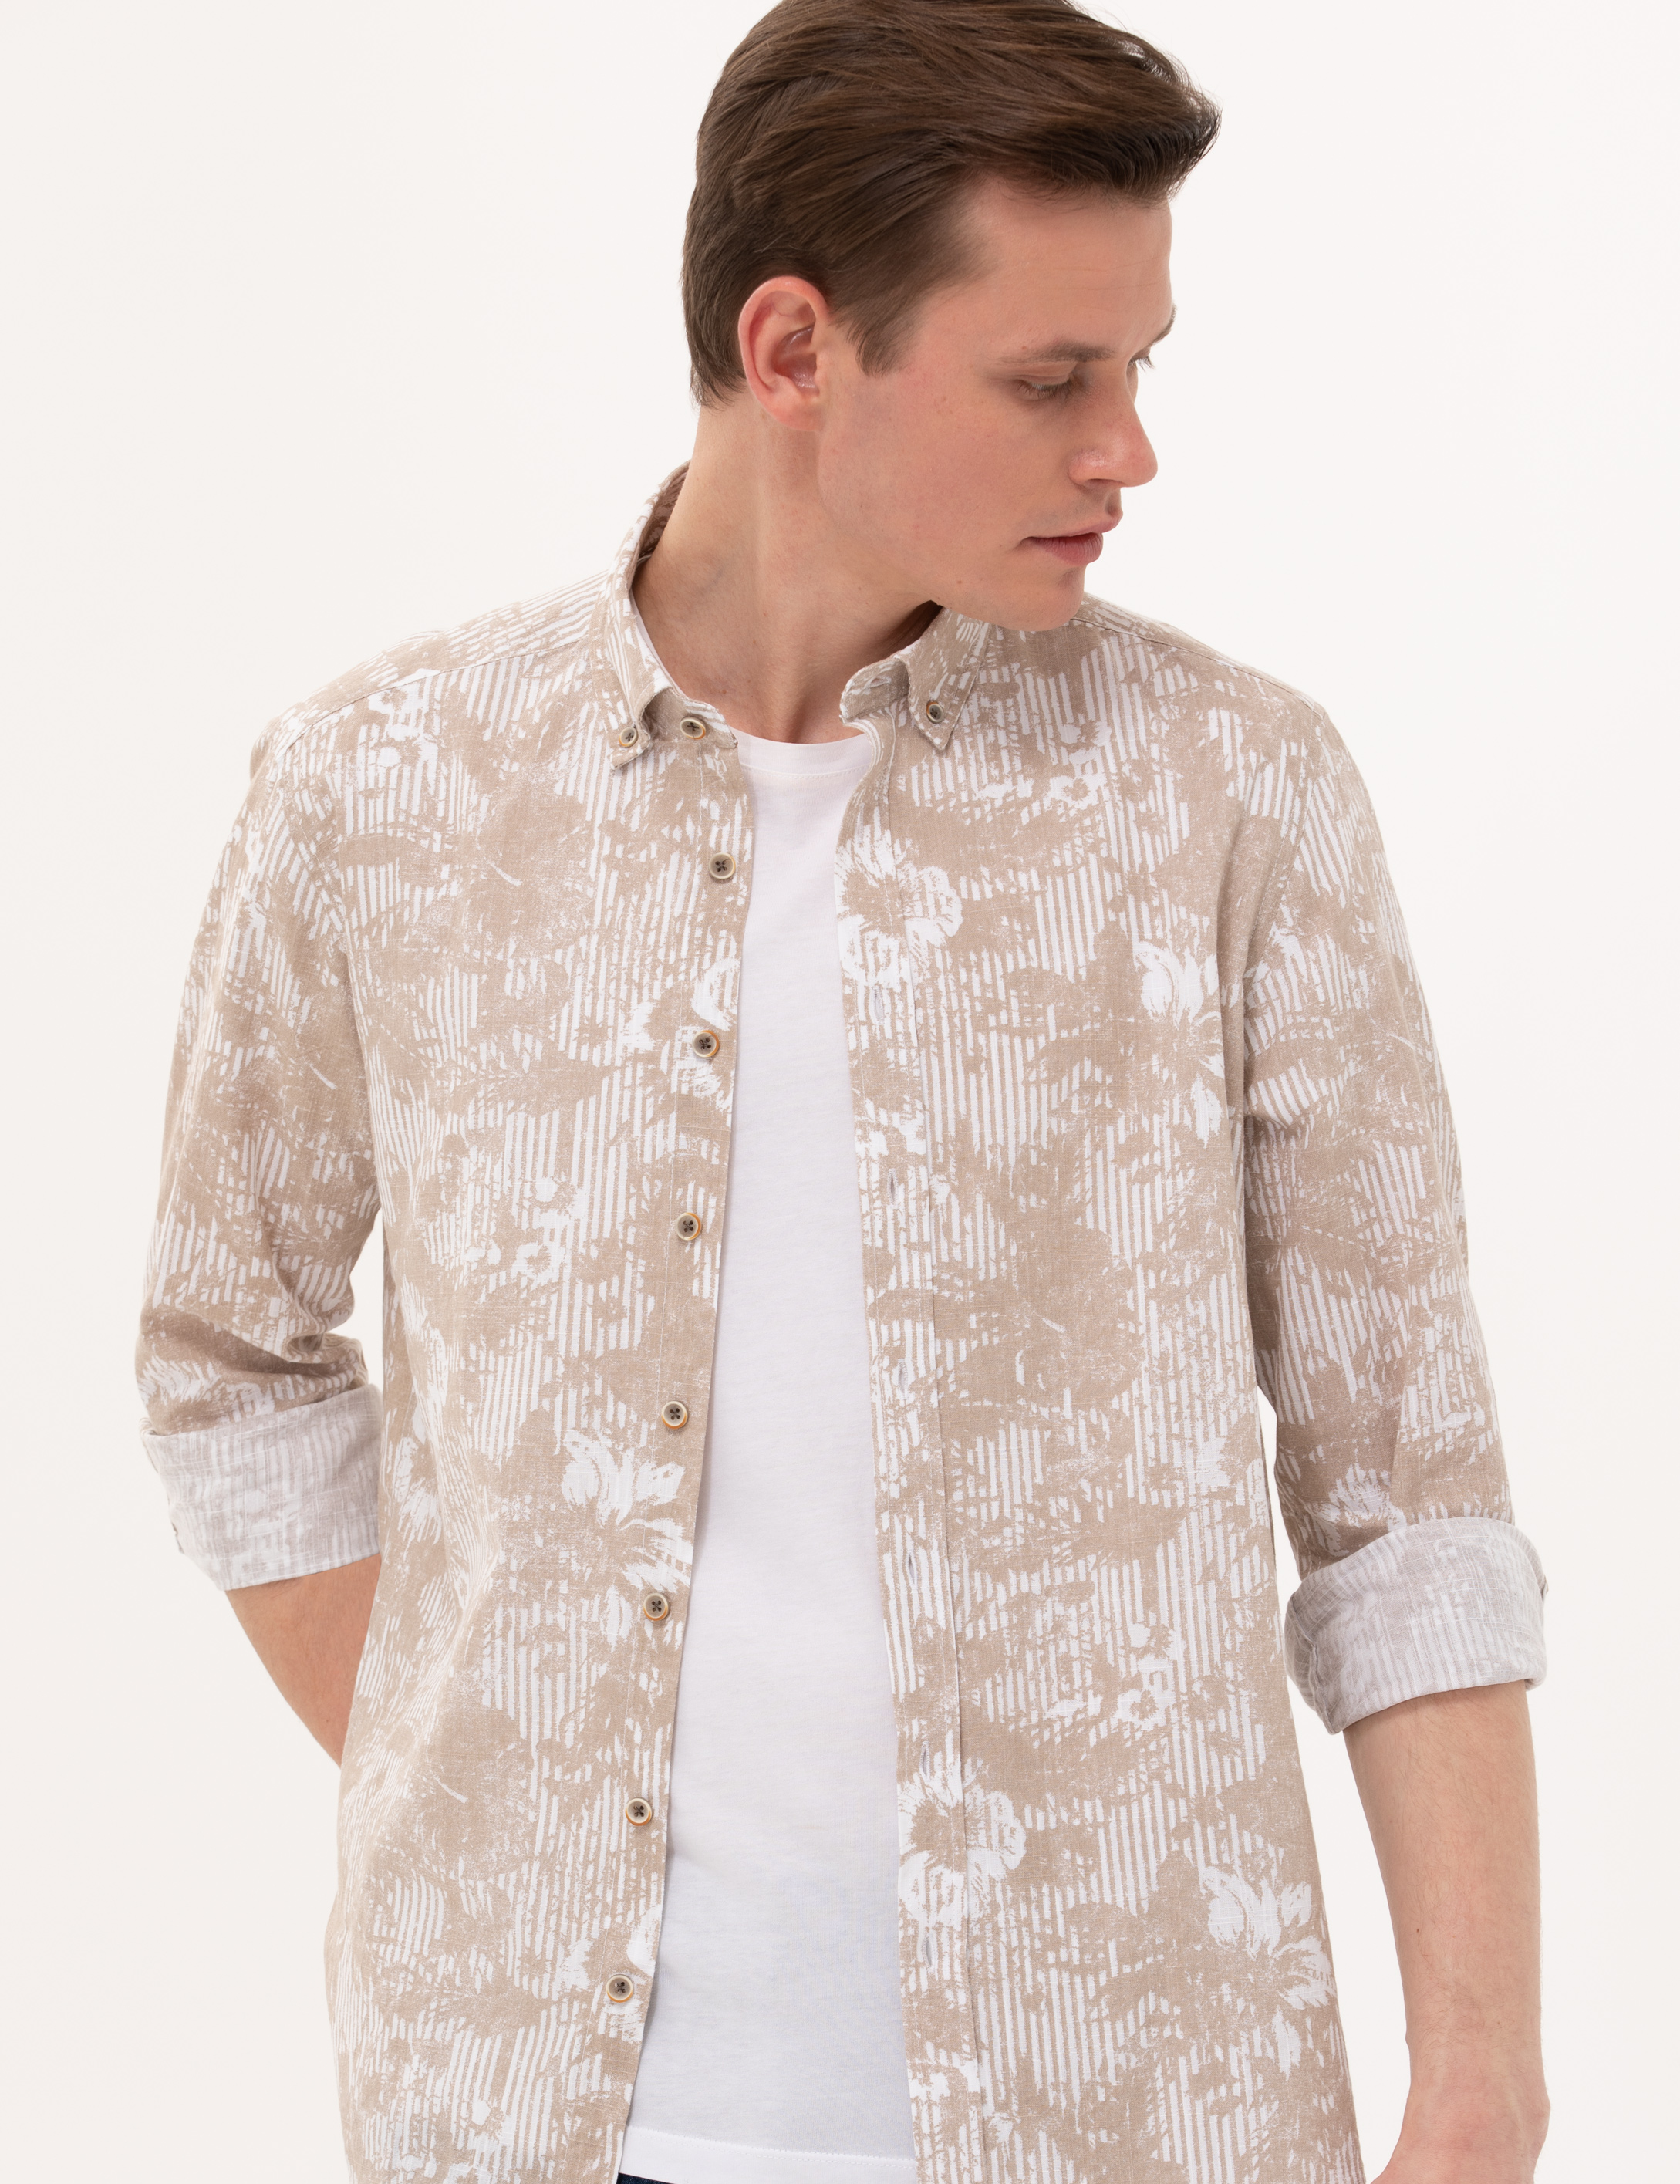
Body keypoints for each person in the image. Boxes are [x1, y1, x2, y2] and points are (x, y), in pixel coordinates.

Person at [134, 4, 1550, 2180]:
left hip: (1134, 2112)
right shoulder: (387, 790)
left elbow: (1404, 1488)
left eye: (1140, 366)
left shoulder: (1230, 792)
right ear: (793, 346)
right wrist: (490, 1783)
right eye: (1050, 380)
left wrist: (1480, 2073)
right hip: (532, 2121)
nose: (1128, 451)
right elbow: (230, 1357)